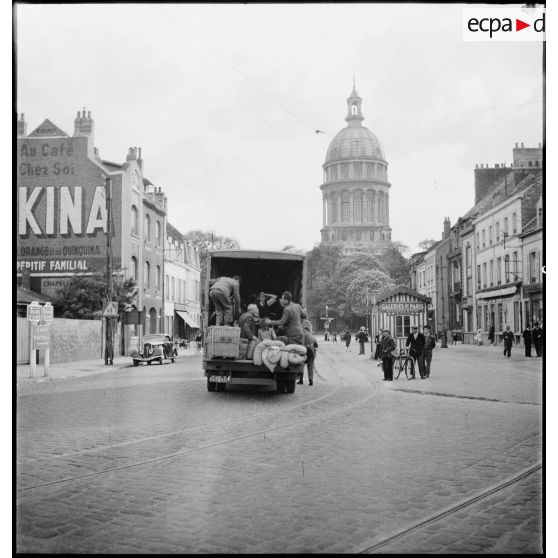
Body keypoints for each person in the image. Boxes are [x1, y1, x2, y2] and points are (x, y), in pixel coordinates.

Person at [299, 320, 318, 386]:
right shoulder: (312, 336)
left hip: (305, 351)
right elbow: (316, 345)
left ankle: (301, 380)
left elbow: (302, 343)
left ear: (305, 329)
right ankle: (311, 381)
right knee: (310, 367)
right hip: (312, 353)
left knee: (301, 365)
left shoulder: (304, 334)